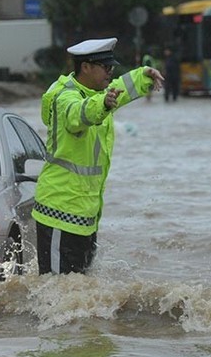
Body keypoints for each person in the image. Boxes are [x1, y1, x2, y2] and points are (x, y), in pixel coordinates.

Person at [31, 37, 164, 274]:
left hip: (85, 216)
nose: (110, 72)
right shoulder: (66, 97)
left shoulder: (97, 92)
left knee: (79, 292)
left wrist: (143, 75)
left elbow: (117, 93)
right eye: (106, 67)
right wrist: (102, 103)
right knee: (54, 291)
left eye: (112, 67)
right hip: (59, 213)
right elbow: (78, 115)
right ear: (86, 67)